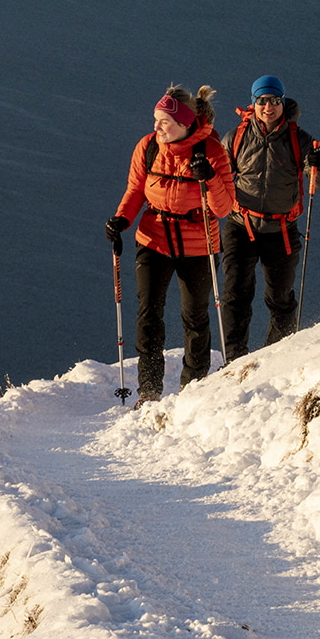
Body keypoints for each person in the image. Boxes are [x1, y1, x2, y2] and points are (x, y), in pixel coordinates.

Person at [105, 85, 235, 402]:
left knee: (195, 316)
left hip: (199, 243)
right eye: (156, 119)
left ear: (184, 123)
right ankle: (149, 390)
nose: (156, 127)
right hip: (154, 237)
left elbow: (224, 208)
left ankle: (194, 387)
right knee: (148, 313)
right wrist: (122, 219)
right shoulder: (148, 147)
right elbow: (136, 190)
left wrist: (210, 178)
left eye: (163, 121)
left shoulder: (212, 151)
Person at [219, 74, 320, 359]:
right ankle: (234, 360)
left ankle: (274, 358)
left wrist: (319, 166)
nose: (268, 107)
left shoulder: (301, 141)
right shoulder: (236, 137)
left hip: (281, 231)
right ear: (253, 103)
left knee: (280, 300)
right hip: (240, 225)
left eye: (274, 100)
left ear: (283, 103)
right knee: (235, 296)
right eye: (262, 101)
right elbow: (216, 176)